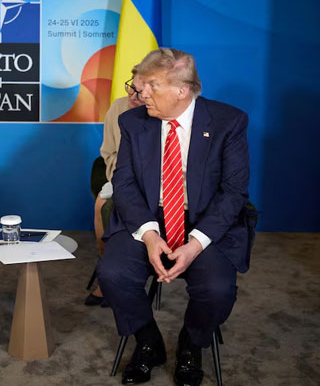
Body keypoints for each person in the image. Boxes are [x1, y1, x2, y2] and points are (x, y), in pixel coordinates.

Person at [97, 48, 254, 386]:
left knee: (217, 289)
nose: (141, 93)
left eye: (152, 85)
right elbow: (124, 184)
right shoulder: (133, 121)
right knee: (112, 274)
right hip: (148, 217)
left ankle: (191, 343)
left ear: (182, 90)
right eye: (141, 85)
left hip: (205, 221)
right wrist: (149, 235)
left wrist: (195, 245)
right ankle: (148, 341)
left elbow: (233, 192)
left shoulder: (228, 122)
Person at [85, 69, 146, 307]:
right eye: (131, 87)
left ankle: (131, 273)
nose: (132, 94)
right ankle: (108, 274)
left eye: (140, 92)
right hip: (121, 177)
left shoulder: (163, 113)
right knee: (103, 203)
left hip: (155, 184)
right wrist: (122, 179)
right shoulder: (118, 107)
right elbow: (108, 153)